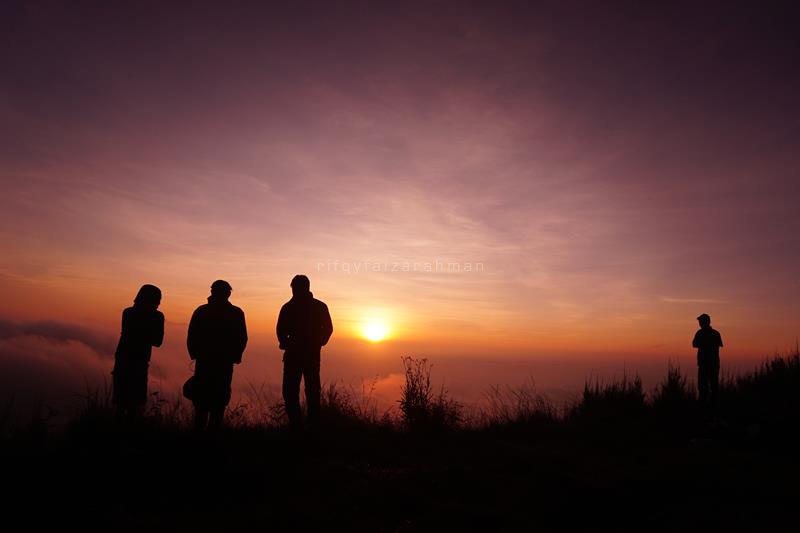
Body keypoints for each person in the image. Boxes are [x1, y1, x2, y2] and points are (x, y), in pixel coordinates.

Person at [187, 280, 248, 430]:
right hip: (224, 364)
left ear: (212, 292)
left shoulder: (201, 311)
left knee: (202, 402)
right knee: (218, 402)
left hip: (205, 362)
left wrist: (195, 354)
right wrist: (235, 356)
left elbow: (192, 336)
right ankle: (213, 437)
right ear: (228, 293)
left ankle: (199, 438)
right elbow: (242, 338)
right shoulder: (236, 313)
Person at [276, 275, 333, 429]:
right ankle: (304, 424)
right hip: (305, 355)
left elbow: (328, 329)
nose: (294, 290)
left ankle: (302, 425)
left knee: (300, 390)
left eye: (295, 287)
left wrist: (317, 343)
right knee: (302, 390)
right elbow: (280, 330)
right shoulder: (317, 306)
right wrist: (318, 343)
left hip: (302, 355)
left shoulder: (289, 307)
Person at [112, 284, 165, 421]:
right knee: (135, 402)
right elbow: (157, 341)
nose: (159, 303)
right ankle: (131, 432)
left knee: (121, 400)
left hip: (123, 358)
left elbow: (128, 334)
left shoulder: (128, 312)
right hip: (139, 360)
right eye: (157, 300)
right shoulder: (157, 317)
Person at [692, 313, 723, 406]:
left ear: (706, 322)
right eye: (700, 321)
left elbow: (695, 344)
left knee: (704, 388)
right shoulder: (715, 333)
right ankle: (712, 407)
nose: (700, 323)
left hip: (705, 365)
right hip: (711, 365)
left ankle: (705, 408)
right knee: (712, 388)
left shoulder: (700, 333)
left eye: (701, 321)